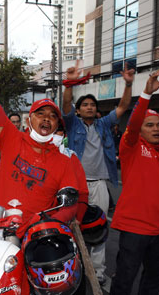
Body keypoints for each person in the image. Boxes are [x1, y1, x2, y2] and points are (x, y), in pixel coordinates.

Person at [0, 31, 88, 232]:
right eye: (40, 113)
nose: (46, 118)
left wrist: (50, 225)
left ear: (57, 125)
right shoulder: (11, 138)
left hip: (35, 240)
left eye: (53, 116)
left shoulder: (65, 162)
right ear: (29, 120)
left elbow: (71, 203)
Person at [110, 67, 159, 295]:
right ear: (140, 130)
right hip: (134, 229)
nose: (156, 129)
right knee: (125, 278)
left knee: (155, 278)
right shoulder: (131, 146)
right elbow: (132, 124)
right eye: (149, 125)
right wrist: (146, 93)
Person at [62, 61, 134, 285]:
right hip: (75, 187)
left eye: (93, 104)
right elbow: (65, 105)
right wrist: (70, 83)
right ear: (79, 109)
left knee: (100, 229)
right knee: (72, 228)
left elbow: (122, 107)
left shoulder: (103, 124)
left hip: (99, 184)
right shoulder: (72, 124)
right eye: (85, 105)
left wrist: (128, 85)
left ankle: (98, 273)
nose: (90, 107)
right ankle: (74, 268)